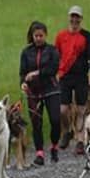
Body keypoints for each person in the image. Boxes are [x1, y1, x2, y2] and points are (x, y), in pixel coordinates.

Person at [20, 21, 62, 166]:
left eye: (41, 35)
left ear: (45, 35)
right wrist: (23, 83)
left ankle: (54, 146)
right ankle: (39, 153)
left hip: (51, 89)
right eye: (36, 36)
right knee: (36, 123)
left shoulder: (52, 50)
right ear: (32, 36)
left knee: (55, 120)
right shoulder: (26, 52)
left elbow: (53, 68)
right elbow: (23, 72)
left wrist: (37, 73)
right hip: (34, 92)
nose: (38, 38)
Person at [54, 6, 90, 154]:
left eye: (77, 17)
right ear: (69, 17)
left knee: (80, 109)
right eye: (72, 16)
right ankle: (67, 131)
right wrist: (56, 72)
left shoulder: (87, 36)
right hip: (65, 76)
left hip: (80, 76)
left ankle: (79, 139)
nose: (75, 20)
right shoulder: (61, 36)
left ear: (81, 19)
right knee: (63, 110)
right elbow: (55, 55)